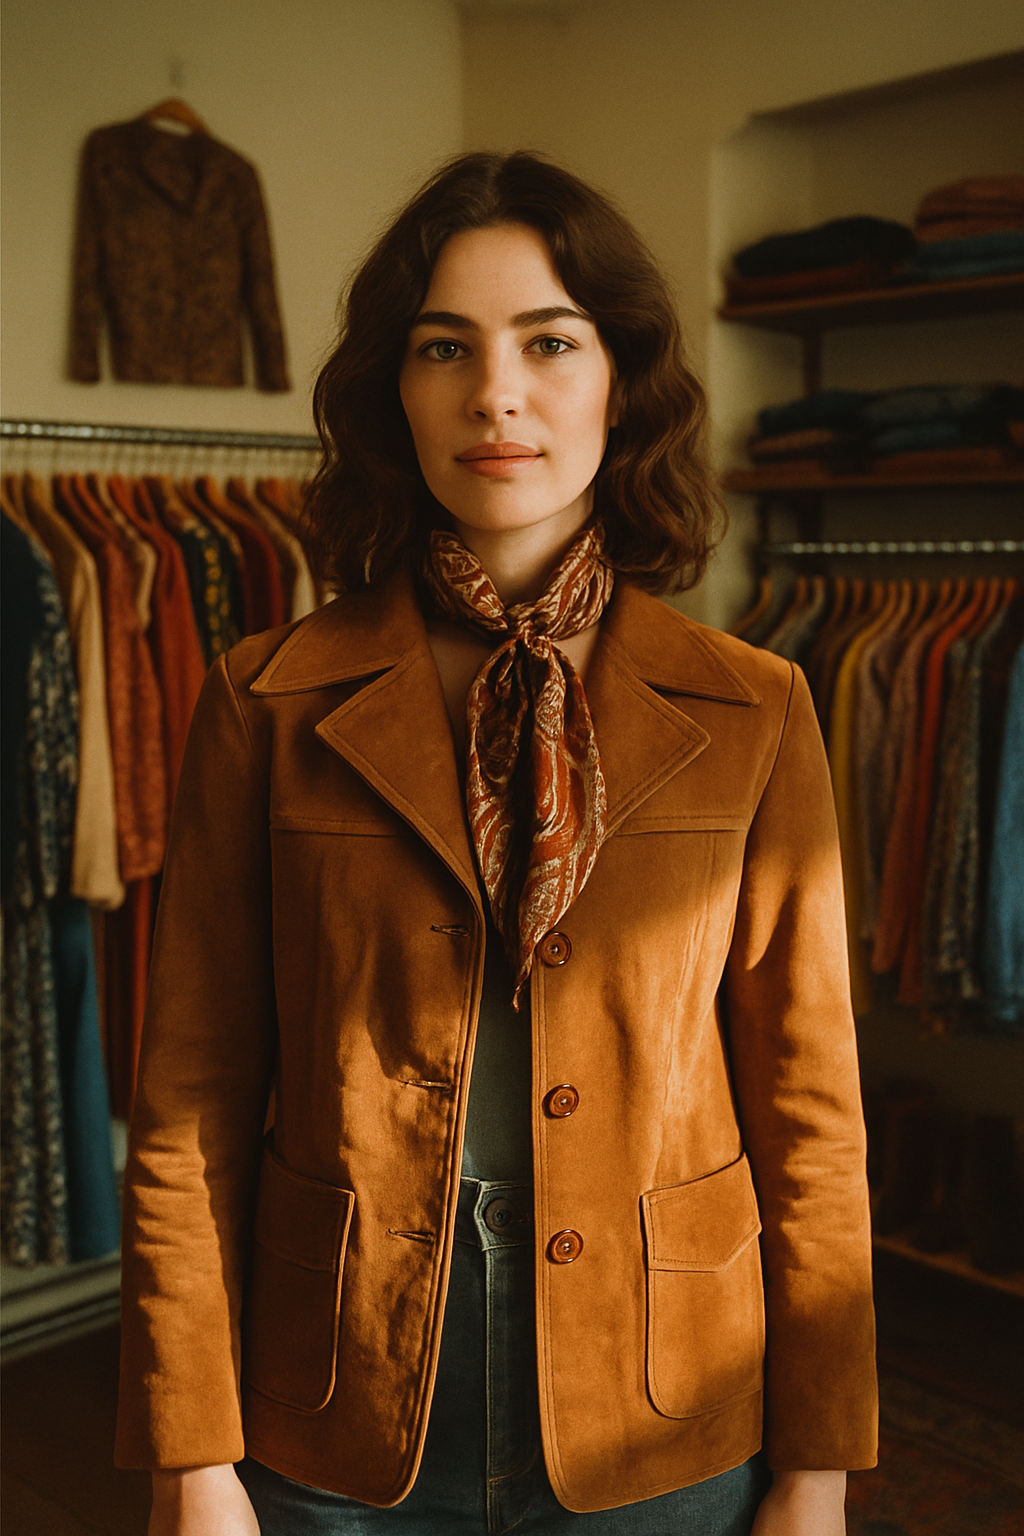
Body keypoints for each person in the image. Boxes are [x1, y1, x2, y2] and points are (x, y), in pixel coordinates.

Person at [117, 152, 877, 1536]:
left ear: (621, 379)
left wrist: (819, 1466)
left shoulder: (756, 707)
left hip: (665, 1391)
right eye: (442, 348)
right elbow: (191, 1106)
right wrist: (189, 1454)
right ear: (392, 393)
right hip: (334, 1396)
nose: (496, 394)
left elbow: (812, 1119)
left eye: (550, 341)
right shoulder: (267, 702)